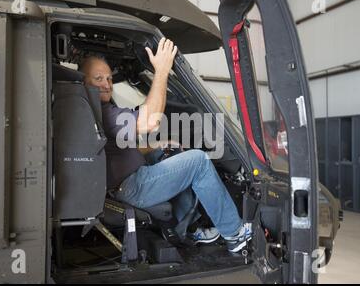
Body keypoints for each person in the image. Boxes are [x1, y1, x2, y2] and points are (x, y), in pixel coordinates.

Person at [81, 38, 251, 253]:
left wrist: (155, 146)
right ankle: (234, 234)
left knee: (170, 152)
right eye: (98, 78)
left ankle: (185, 228)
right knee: (198, 161)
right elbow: (150, 121)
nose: (106, 84)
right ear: (83, 82)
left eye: (108, 78)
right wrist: (161, 71)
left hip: (125, 179)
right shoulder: (103, 112)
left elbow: (113, 150)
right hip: (131, 186)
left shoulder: (92, 109)